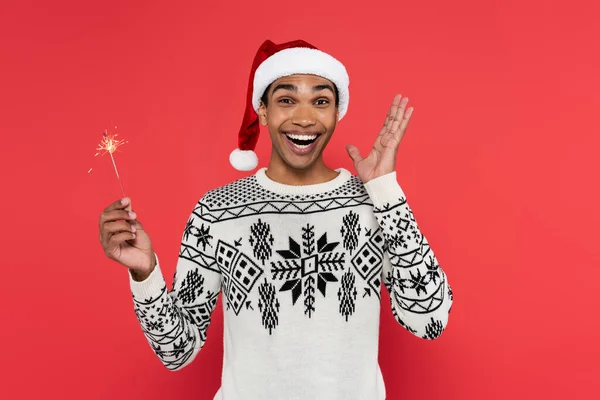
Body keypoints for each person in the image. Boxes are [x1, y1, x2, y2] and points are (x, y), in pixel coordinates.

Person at [98, 39, 453, 400]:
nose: (304, 117)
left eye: (320, 101)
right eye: (286, 100)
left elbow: (430, 320)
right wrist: (145, 273)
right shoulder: (216, 212)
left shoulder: (373, 204)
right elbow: (178, 350)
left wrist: (385, 190)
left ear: (336, 112)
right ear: (262, 111)